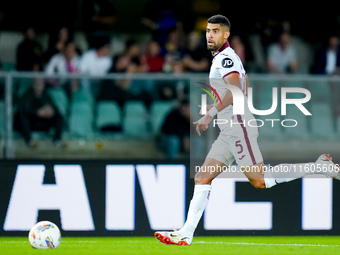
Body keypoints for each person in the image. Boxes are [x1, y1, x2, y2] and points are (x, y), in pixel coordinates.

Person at [154, 14, 340, 246]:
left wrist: (211, 113)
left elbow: (235, 89)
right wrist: (221, 106)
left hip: (238, 127)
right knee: (203, 177)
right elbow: (244, 85)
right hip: (229, 128)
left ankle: (319, 166)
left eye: (215, 31)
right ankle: (186, 233)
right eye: (208, 31)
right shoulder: (227, 57)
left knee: (260, 181)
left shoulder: (226, 59)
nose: (210, 35)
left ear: (226, 34)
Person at [15, 78, 63, 147]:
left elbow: (54, 109)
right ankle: (29, 141)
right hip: (32, 123)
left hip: (43, 122)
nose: (38, 86)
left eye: (40, 84)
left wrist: (51, 112)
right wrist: (37, 112)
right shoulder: (28, 94)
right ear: (33, 84)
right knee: (24, 117)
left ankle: (57, 140)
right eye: (37, 84)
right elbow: (22, 109)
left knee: (59, 117)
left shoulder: (46, 95)